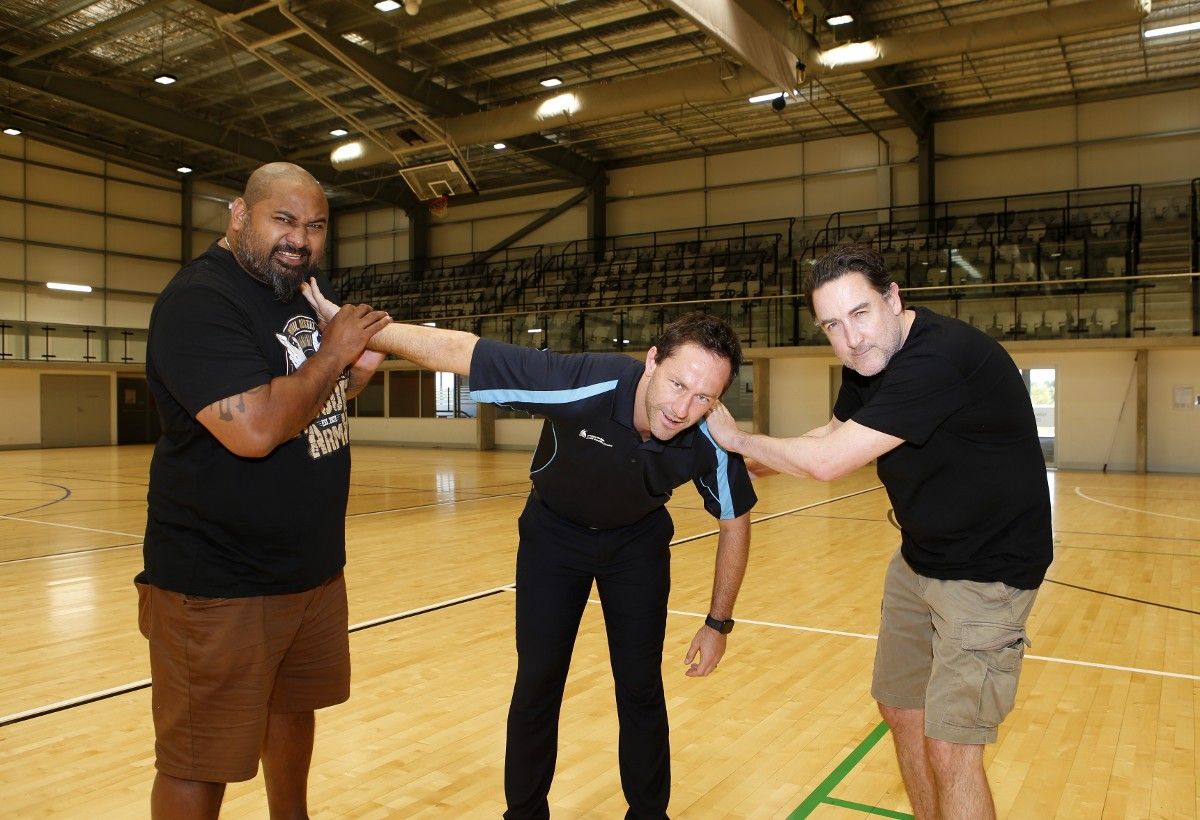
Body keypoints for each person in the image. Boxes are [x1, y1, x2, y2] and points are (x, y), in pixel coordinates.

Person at [303, 280, 755, 820]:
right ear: (652, 360)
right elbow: (464, 351)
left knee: (640, 688)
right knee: (538, 682)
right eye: (679, 384)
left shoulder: (711, 437)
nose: (684, 408)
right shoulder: (583, 382)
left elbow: (736, 519)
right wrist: (360, 330)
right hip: (553, 539)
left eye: (704, 396)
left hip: (636, 547)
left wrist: (718, 622)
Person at [704, 244, 1052, 819]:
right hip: (921, 559)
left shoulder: (937, 358)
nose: (852, 338)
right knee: (901, 708)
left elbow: (830, 462)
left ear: (894, 298)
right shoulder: (869, 362)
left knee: (952, 746)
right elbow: (830, 433)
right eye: (833, 326)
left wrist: (740, 440)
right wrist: (754, 457)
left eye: (860, 313)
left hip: (988, 574)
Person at [137, 162, 391, 820]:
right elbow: (253, 429)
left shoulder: (303, 288)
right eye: (283, 220)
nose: (300, 239)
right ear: (239, 214)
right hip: (218, 580)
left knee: (293, 708)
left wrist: (352, 373)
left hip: (307, 571)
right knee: (201, 759)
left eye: (314, 226)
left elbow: (314, 396)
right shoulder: (199, 302)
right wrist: (335, 353)